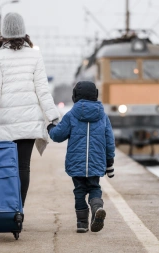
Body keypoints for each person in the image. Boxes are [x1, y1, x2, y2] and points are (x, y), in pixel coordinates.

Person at [0, 12, 60, 208]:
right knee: (23, 167)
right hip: (29, 124)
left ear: (3, 33)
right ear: (23, 31)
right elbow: (43, 91)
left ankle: (6, 208)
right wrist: (53, 117)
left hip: (6, 125)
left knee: (6, 168)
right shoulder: (35, 55)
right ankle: (18, 210)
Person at [48, 81, 115, 233]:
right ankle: (97, 207)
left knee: (79, 191)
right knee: (94, 187)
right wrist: (109, 162)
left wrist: (50, 127)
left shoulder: (71, 115)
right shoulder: (103, 116)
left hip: (76, 162)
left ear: (75, 96)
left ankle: (82, 224)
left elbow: (58, 136)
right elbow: (109, 141)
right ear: (95, 95)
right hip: (96, 162)